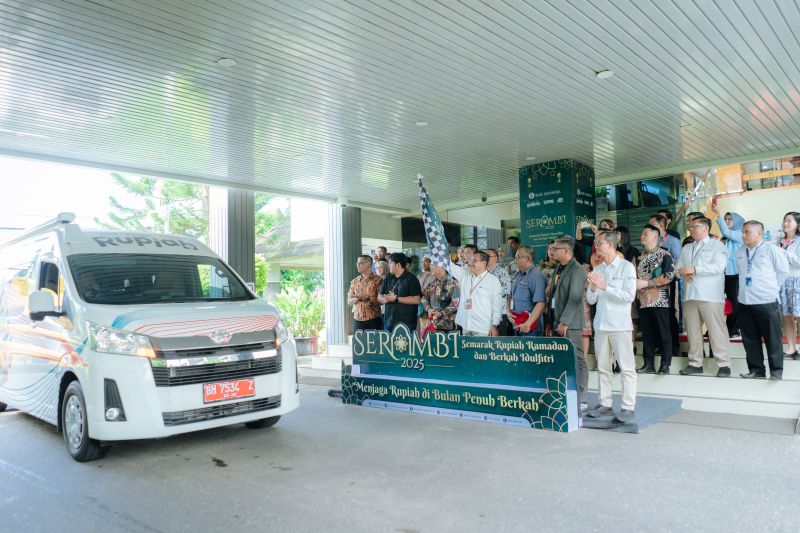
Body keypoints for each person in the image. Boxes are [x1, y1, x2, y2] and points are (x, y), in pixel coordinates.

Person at [585, 230, 638, 423]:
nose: (596, 247)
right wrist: (592, 287)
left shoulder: (626, 268)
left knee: (626, 368)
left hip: (620, 325)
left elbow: (629, 296)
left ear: (610, 245)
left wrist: (605, 287)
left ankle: (628, 406)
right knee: (603, 367)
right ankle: (605, 404)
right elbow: (591, 300)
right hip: (601, 324)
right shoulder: (598, 270)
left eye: (599, 243)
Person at [675, 217, 731, 377]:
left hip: (710, 295)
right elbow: (679, 267)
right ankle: (695, 363)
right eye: (690, 226)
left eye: (695, 226)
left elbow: (719, 267)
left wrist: (695, 269)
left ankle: (724, 364)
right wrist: (683, 274)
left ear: (706, 229)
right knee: (692, 331)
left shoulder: (717, 245)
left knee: (716, 330)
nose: (691, 229)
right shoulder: (686, 248)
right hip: (690, 294)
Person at [737, 221, 790, 380]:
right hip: (745, 301)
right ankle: (756, 370)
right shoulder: (740, 251)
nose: (744, 235)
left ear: (759, 233)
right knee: (750, 339)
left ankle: (776, 371)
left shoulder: (771, 249)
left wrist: (772, 288)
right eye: (743, 232)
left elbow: (783, 271)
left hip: (766, 300)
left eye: (747, 232)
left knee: (772, 338)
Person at [550, 236, 589, 409]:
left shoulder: (577, 269)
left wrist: (565, 321)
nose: (552, 251)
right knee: (563, 359)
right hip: (557, 320)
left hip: (570, 323)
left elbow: (575, 298)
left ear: (566, 251)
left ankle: (582, 399)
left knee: (577, 359)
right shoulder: (558, 268)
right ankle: (565, 393)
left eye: (556, 248)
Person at [636, 225, 676, 374]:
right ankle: (648, 364)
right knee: (647, 333)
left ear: (655, 237)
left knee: (663, 332)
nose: (641, 236)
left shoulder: (664, 254)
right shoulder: (640, 257)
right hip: (643, 300)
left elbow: (669, 276)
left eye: (644, 234)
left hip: (660, 300)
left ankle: (665, 364)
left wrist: (647, 283)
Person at [649, 213, 682, 358]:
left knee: (668, 313)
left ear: (661, 226)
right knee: (654, 315)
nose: (648, 227)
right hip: (651, 284)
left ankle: (673, 345)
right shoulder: (652, 242)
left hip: (667, 282)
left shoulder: (672, 241)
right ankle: (658, 344)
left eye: (652, 224)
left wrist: (662, 262)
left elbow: (677, 260)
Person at [449, 251, 503, 336]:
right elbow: (450, 266)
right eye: (470, 260)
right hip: (466, 326)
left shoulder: (493, 281)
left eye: (474, 260)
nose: (470, 262)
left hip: (483, 329)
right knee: (466, 349)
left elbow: (497, 305)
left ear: (483, 263)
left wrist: (494, 325)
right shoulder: (465, 275)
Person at [711, 205, 745, 339]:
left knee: (734, 302)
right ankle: (730, 328)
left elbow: (726, 232)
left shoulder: (739, 233)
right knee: (729, 301)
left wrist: (718, 214)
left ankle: (734, 329)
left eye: (730, 219)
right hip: (726, 274)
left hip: (735, 273)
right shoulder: (729, 237)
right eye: (725, 219)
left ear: (737, 222)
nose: (727, 221)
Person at [378, 253, 422, 332]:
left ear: (398, 264)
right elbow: (379, 296)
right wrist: (386, 299)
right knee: (388, 344)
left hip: (406, 322)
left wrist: (396, 299)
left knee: (406, 344)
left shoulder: (412, 279)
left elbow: (416, 299)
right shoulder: (388, 278)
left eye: (390, 263)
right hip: (389, 320)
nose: (388, 265)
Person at [777, 212, 800, 359]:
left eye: (789, 221)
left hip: (797, 280)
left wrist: (784, 253)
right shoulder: (780, 241)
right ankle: (791, 348)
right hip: (783, 281)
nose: (785, 223)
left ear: (798, 224)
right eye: (784, 220)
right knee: (787, 316)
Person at [510, 246, 547, 336]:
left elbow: (541, 303)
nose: (515, 260)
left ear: (528, 259)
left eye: (518, 257)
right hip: (518, 322)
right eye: (515, 257)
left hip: (530, 325)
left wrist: (528, 324)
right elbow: (510, 296)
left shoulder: (536, 276)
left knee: (531, 350)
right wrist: (508, 312)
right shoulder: (518, 274)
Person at [347, 255, 382, 332]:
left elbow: (381, 301)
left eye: (361, 263)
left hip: (373, 319)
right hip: (357, 319)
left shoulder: (378, 280)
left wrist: (368, 297)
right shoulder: (354, 281)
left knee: (374, 343)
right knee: (358, 343)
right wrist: (358, 298)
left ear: (369, 264)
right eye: (357, 263)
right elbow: (349, 301)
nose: (358, 265)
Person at [421, 265, 458, 332]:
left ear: (442, 267)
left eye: (434, 265)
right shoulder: (433, 283)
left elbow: (456, 303)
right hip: (433, 322)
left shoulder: (452, 283)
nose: (431, 267)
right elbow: (424, 298)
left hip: (448, 324)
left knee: (446, 341)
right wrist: (428, 308)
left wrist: (442, 313)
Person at [486, 248, 513, 336]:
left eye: (489, 256)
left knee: (499, 340)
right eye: (485, 256)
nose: (486, 258)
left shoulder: (502, 272)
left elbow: (505, 291)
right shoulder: (482, 272)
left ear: (496, 258)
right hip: (485, 313)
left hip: (499, 312)